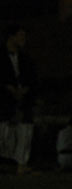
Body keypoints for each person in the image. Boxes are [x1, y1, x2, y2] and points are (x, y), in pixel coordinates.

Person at [0, 25, 37, 174]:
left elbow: (32, 79)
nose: (23, 38)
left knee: (25, 131)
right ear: (11, 37)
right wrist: (10, 89)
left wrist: (24, 90)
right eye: (20, 35)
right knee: (4, 133)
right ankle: (9, 161)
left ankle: (22, 164)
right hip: (4, 100)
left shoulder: (25, 58)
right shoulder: (1, 55)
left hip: (23, 100)